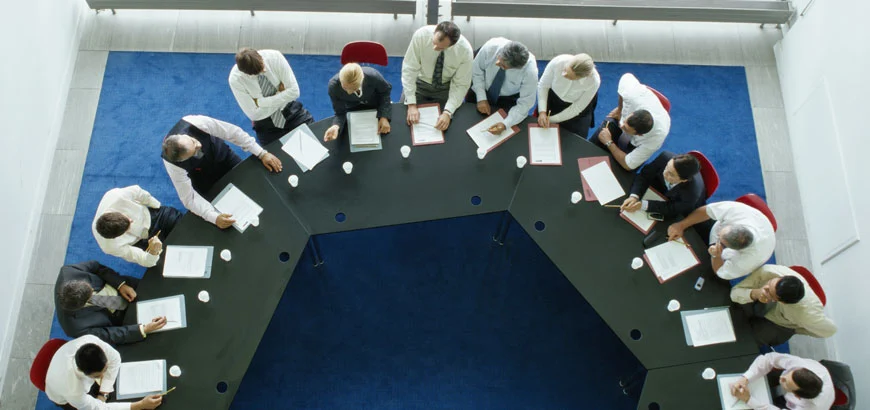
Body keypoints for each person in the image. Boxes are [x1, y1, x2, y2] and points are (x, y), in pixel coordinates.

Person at [161, 115, 282, 229]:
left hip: (223, 157)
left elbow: (233, 133)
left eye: (193, 141)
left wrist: (261, 153)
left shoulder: (195, 123)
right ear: (183, 160)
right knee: (231, 213)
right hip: (202, 178)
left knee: (252, 185)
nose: (199, 145)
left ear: (184, 136)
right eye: (194, 152)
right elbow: (189, 198)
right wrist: (213, 217)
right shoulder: (173, 166)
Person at [55, 261, 168, 345]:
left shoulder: (69, 271)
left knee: (163, 289)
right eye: (91, 296)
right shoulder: (74, 328)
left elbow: (97, 267)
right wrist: (144, 329)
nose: (94, 292)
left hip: (125, 288)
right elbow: (109, 334)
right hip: (123, 318)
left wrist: (120, 285)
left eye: (92, 290)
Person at [45, 335, 163, 409]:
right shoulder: (74, 391)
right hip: (62, 395)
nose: (103, 376)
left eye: (105, 369)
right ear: (83, 372)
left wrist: (103, 392)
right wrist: (140, 405)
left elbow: (115, 359)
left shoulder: (90, 340)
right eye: (98, 376)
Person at [731, 264, 837, 346]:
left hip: (781, 323)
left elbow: (829, 331)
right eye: (771, 283)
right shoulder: (768, 271)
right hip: (757, 298)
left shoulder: (806, 313)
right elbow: (734, 293)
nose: (766, 288)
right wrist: (755, 293)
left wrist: (796, 329)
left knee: (746, 341)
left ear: (782, 302)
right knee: (730, 310)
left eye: (770, 292)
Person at [667, 201, 775, 280]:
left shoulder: (747, 261)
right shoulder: (738, 213)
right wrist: (681, 225)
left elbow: (721, 272)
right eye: (721, 233)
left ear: (732, 250)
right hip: (758, 221)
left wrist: (716, 256)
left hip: (754, 248)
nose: (718, 235)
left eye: (721, 240)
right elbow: (707, 211)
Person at [229, 48, 314, 145]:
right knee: (278, 160)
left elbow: (295, 92)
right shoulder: (235, 79)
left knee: (316, 152)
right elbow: (254, 114)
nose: (261, 73)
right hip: (266, 126)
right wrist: (281, 93)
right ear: (244, 72)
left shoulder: (275, 57)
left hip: (292, 113)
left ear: (261, 58)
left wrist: (261, 102)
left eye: (262, 69)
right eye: (255, 74)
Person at [589, 73, 671, 170]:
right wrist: (620, 109)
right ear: (633, 113)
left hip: (636, 145)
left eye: (626, 128)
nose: (622, 126)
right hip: (632, 112)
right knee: (590, 148)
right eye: (625, 122)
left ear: (639, 134)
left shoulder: (655, 139)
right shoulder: (633, 95)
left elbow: (628, 165)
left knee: (620, 171)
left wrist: (609, 143)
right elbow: (626, 77)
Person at [401, 21, 473, 131]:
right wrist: (411, 103)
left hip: (445, 89)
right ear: (435, 31)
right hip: (419, 84)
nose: (435, 48)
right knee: (403, 121)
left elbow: (461, 85)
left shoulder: (465, 51)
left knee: (446, 128)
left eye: (440, 48)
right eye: (433, 43)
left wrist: (448, 112)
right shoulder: (421, 36)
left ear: (452, 45)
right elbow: (409, 69)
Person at [92, 185, 181, 268]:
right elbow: (143, 259)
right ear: (117, 236)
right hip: (141, 242)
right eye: (127, 229)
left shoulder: (115, 196)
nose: (131, 222)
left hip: (154, 217)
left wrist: (156, 205)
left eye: (128, 219)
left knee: (185, 226)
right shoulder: (109, 246)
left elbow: (138, 192)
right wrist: (153, 252)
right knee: (170, 264)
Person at [468, 38, 538, 135]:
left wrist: (505, 124)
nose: (497, 63)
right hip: (480, 85)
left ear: (516, 68)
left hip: (507, 98)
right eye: (499, 59)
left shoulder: (530, 71)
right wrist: (481, 98)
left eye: (502, 66)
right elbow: (476, 71)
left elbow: (525, 103)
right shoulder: (491, 46)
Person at [730, 352, 834, 409]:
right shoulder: (802, 365)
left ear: (796, 396)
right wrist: (746, 378)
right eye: (788, 374)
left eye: (786, 383)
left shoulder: (809, 408)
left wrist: (748, 399)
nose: (781, 377)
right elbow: (769, 359)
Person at [620, 151, 705, 219]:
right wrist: (634, 196)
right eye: (667, 167)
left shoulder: (692, 193)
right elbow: (644, 175)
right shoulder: (665, 157)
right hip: (659, 186)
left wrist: (643, 205)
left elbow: (673, 209)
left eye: (671, 174)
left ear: (683, 180)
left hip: (677, 201)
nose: (665, 173)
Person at [323, 63, 392, 142]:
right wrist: (336, 126)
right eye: (345, 88)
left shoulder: (373, 76)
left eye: (353, 88)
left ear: (362, 80)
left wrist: (384, 116)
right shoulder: (333, 87)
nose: (348, 92)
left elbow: (385, 92)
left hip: (375, 105)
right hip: (352, 108)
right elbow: (340, 112)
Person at [536, 53, 600, 138]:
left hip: (575, 109)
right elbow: (543, 86)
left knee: (574, 141)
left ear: (580, 77)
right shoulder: (558, 61)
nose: (563, 74)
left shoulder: (594, 82)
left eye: (569, 76)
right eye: (565, 70)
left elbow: (577, 108)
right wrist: (542, 112)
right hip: (553, 99)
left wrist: (551, 119)